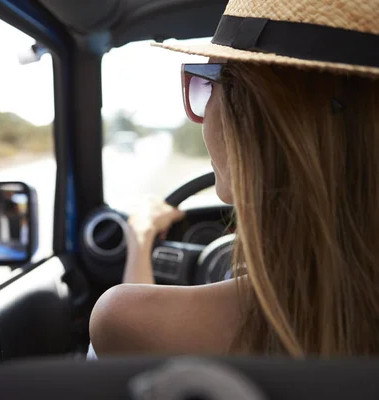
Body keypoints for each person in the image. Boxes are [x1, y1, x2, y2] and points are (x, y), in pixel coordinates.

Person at [89, 0, 379, 358]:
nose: (204, 116)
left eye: (208, 86)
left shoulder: (123, 319)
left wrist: (140, 240)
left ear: (246, 116)